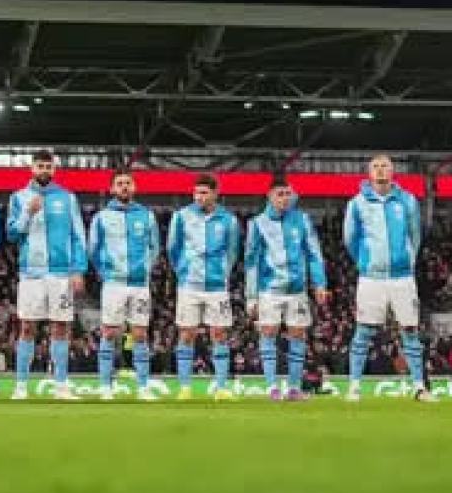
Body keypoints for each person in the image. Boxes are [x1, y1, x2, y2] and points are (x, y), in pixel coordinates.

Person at [344, 155, 434, 402]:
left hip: (402, 278)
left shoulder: (407, 201)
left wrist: (407, 260)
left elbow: (415, 235)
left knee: (410, 330)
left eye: (385, 166)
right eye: (376, 166)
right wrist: (365, 262)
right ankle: (354, 387)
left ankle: (419, 387)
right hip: (371, 278)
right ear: (368, 173)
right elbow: (350, 239)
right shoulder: (357, 203)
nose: (381, 170)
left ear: (393, 171)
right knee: (363, 331)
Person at [6, 149, 87, 401]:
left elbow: (78, 236)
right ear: (32, 168)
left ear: (54, 169)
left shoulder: (67, 198)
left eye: (47, 166)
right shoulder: (19, 198)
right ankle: (20, 385)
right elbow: (11, 235)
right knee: (27, 327)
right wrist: (27, 213)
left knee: (60, 328)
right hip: (31, 273)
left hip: (61, 274)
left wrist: (78, 269)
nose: (44, 170)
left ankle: (61, 385)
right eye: (39, 166)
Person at [245, 177, 329, 401]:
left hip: (297, 290)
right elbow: (251, 262)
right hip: (269, 289)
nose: (283, 198)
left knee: (298, 335)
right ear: (269, 196)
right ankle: (272, 388)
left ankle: (293, 389)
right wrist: (251, 296)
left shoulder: (302, 220)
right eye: (279, 194)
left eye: (287, 194)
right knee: (268, 333)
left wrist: (320, 284)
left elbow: (314, 254)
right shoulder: (258, 223)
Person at [88, 169, 160, 401]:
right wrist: (105, 272)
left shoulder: (147, 216)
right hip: (114, 283)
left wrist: (145, 269)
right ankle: (105, 386)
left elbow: (154, 248)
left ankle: (143, 386)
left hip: (139, 283)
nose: (124, 187)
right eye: (120, 183)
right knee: (109, 333)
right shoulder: (101, 217)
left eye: (128, 183)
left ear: (135, 187)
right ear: (112, 189)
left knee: (140, 334)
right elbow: (94, 249)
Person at [167, 174, 241, 400]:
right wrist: (183, 271)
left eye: (204, 192)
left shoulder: (228, 220)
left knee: (219, 334)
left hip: (217, 286)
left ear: (215, 194)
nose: (199, 197)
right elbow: (173, 248)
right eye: (196, 192)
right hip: (189, 284)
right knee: (186, 334)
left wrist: (223, 273)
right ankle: (185, 387)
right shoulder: (181, 216)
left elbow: (232, 251)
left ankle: (220, 387)